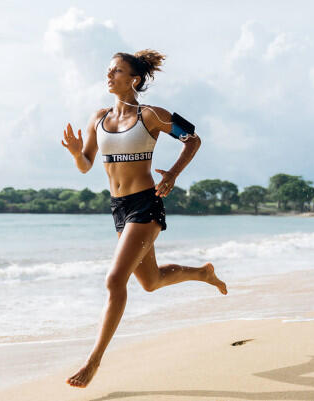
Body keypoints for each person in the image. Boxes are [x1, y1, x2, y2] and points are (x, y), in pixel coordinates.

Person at [61, 49, 227, 388]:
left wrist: (174, 174)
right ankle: (202, 273)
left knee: (113, 281)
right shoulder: (98, 118)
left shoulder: (151, 115)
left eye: (116, 71)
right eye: (108, 71)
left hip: (145, 206)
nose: (109, 76)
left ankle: (93, 361)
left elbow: (192, 138)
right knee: (149, 282)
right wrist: (78, 152)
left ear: (134, 79)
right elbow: (86, 165)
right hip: (118, 209)